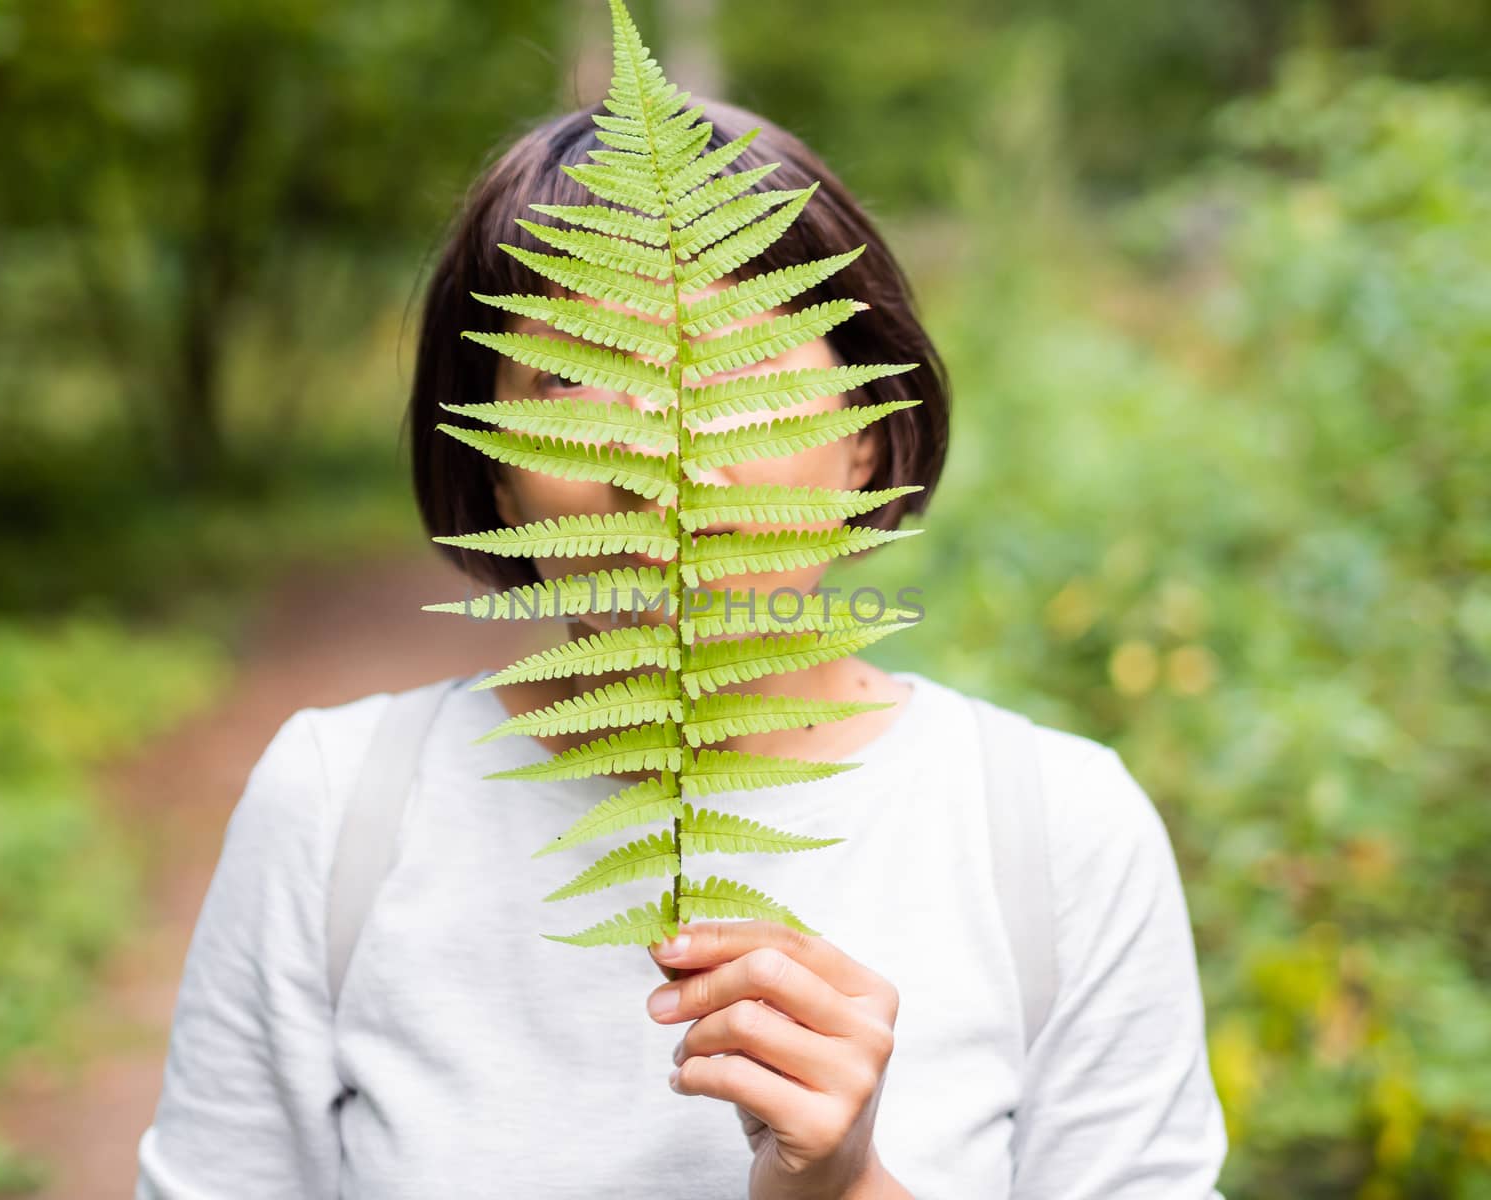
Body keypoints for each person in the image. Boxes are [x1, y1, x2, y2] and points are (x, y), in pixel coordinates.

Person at [135, 97, 1229, 1199]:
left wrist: (846, 1187)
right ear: (498, 473)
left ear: (862, 437)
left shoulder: (1055, 832)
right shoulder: (335, 812)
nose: (655, 437)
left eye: (735, 359)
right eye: (569, 377)